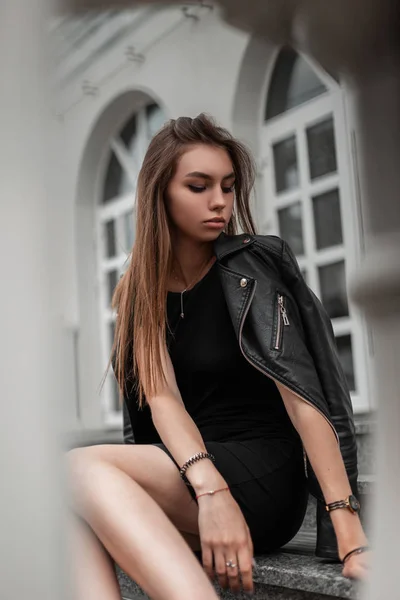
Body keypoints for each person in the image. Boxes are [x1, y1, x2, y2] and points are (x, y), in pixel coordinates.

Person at [67, 114, 370, 600]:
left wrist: (346, 523)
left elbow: (302, 397)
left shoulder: (255, 268)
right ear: (160, 194)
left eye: (228, 187)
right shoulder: (138, 291)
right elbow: (162, 401)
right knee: (70, 498)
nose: (219, 202)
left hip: (263, 472)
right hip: (194, 473)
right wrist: (209, 490)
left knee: (73, 470)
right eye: (198, 185)